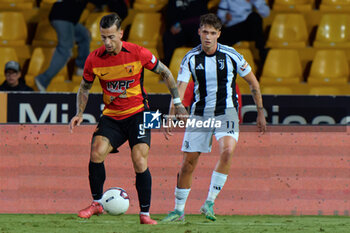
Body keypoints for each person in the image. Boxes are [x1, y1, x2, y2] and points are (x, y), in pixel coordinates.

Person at [69, 13, 188, 224]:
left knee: (139, 159)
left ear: (121, 34)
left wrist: (178, 104)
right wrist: (79, 113)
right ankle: (97, 203)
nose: (107, 42)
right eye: (103, 37)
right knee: (96, 152)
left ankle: (145, 214)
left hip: (142, 112)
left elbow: (166, 73)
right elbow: (84, 87)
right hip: (112, 115)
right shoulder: (93, 59)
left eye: (111, 37)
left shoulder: (138, 52)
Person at [162, 13, 266, 222]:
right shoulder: (190, 57)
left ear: (219, 34)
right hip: (200, 114)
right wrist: (172, 114)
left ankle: (209, 202)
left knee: (227, 150)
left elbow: (253, 83)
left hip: (226, 111)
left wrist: (261, 111)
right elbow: (179, 89)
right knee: (188, 163)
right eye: (205, 32)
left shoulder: (232, 55)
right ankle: (178, 210)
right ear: (199, 32)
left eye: (212, 33)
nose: (208, 37)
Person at [35, 0, 91, 92]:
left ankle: (81, 67)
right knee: (65, 51)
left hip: (67, 18)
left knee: (84, 35)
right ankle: (43, 80)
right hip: (63, 17)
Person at [162, 0, 209, 67]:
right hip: (178, 29)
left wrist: (181, 24)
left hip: (195, 29)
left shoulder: (200, 2)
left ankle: (202, 68)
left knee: (203, 37)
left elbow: (203, 17)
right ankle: (168, 69)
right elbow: (169, 16)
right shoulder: (173, 2)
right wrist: (172, 25)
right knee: (168, 37)